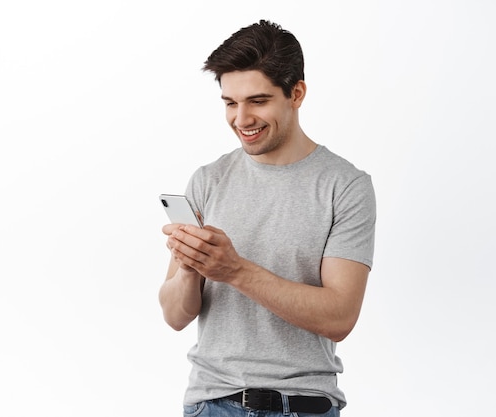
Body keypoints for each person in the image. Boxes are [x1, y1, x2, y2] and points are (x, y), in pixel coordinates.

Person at [158, 20, 376, 417]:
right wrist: (192, 268)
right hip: (210, 404)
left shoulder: (345, 186)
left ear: (297, 93)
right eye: (229, 103)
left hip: (303, 406)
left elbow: (341, 316)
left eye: (257, 101)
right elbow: (175, 315)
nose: (241, 119)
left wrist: (234, 270)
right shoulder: (208, 180)